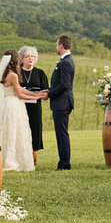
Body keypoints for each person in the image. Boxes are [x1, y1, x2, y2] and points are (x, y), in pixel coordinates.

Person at [0, 50, 39, 172]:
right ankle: (12, 160)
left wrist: (35, 94)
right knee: (16, 132)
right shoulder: (13, 75)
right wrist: (35, 97)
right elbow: (20, 94)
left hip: (5, 104)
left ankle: (6, 158)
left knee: (8, 132)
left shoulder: (5, 73)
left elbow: (20, 89)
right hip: (13, 105)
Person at [50, 36, 75, 170]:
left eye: (56, 44)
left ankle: (65, 163)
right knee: (60, 133)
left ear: (60, 45)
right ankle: (63, 162)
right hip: (61, 102)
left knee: (62, 134)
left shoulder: (66, 63)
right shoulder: (65, 61)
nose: (56, 47)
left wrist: (49, 93)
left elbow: (64, 85)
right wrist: (48, 90)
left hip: (62, 103)